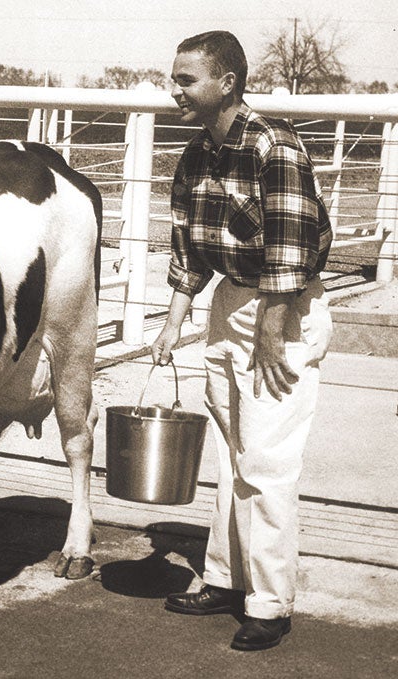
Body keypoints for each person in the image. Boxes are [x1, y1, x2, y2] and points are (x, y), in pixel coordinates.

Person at [151, 30, 333, 652]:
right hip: (231, 301)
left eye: (185, 79)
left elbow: (293, 244)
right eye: (174, 78)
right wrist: (175, 319)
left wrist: (273, 330)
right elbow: (188, 247)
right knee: (232, 454)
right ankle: (229, 579)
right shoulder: (197, 154)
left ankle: (271, 602)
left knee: (270, 460)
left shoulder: (273, 145)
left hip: (283, 307)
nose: (174, 89)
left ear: (227, 83)